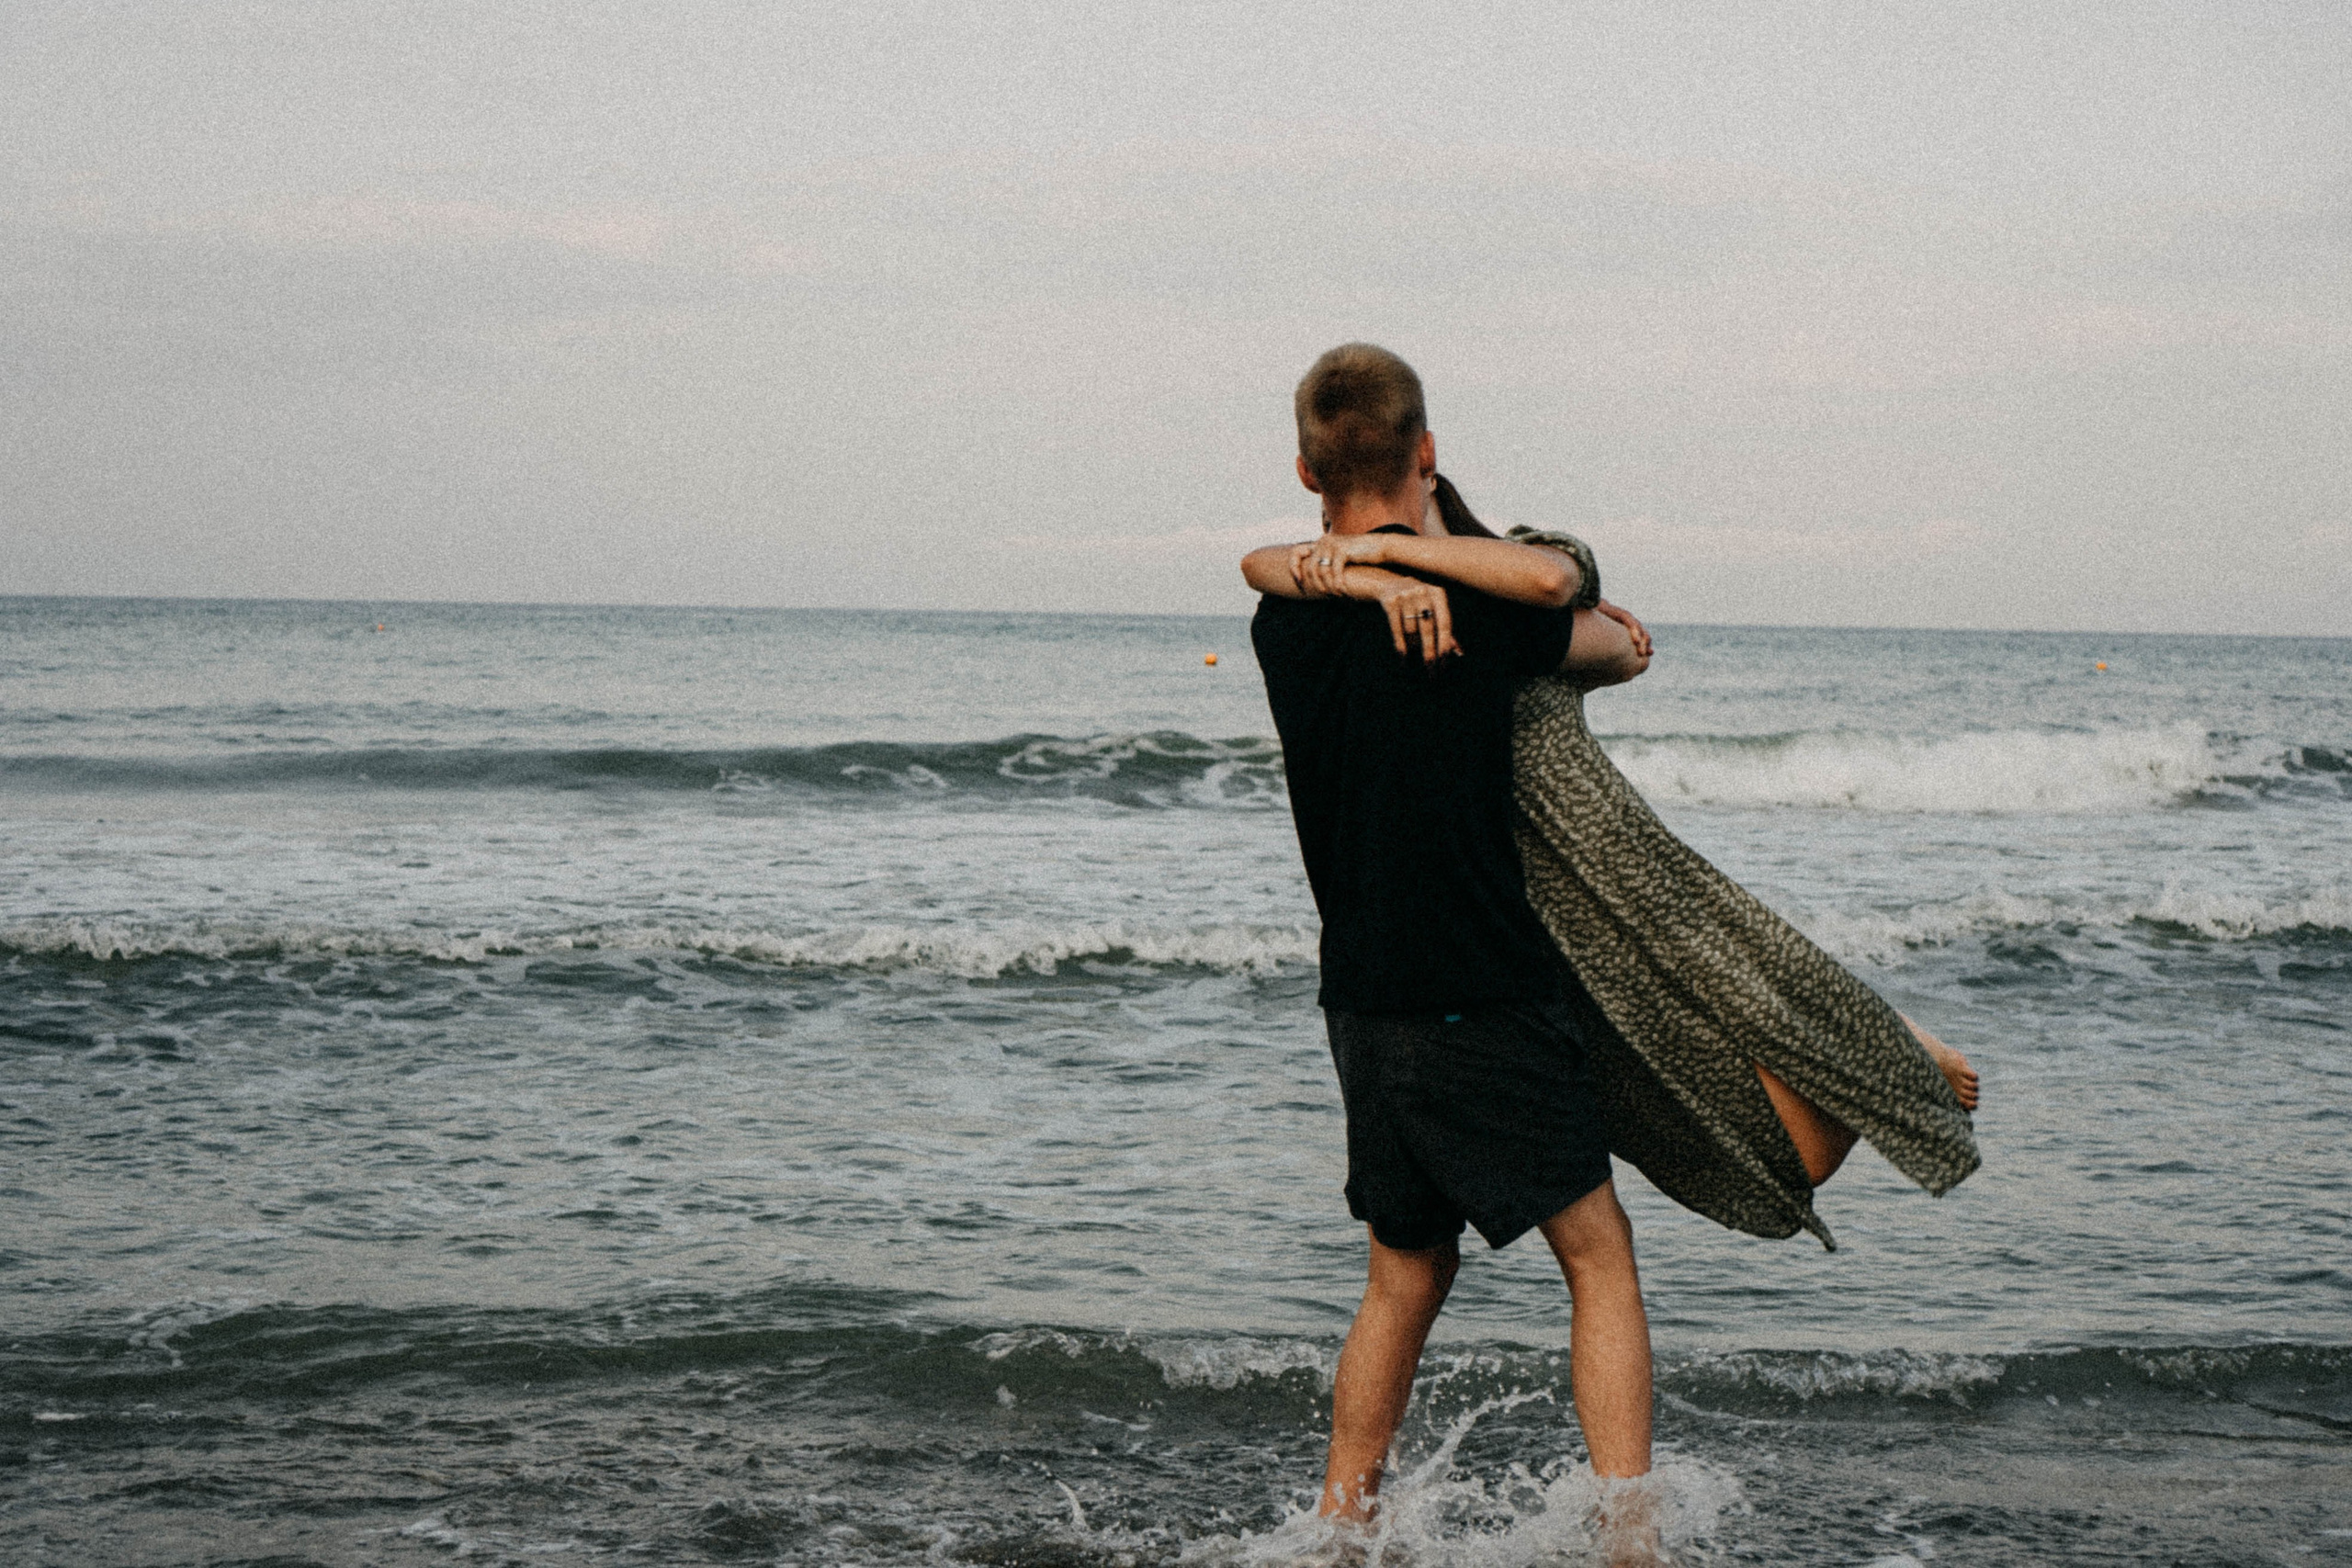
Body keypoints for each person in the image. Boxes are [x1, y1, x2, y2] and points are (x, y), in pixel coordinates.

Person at [1241, 344, 1666, 1549]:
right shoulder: (1472, 609)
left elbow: (1269, 561)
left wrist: (1360, 564)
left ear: (1305, 466)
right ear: (1425, 457)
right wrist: (1423, 557)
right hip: (1479, 983)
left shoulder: (1283, 621)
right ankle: (1631, 1539)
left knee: (1404, 1275)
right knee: (1598, 1253)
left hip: (1363, 1002)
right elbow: (1599, 631)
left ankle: (1342, 1525)